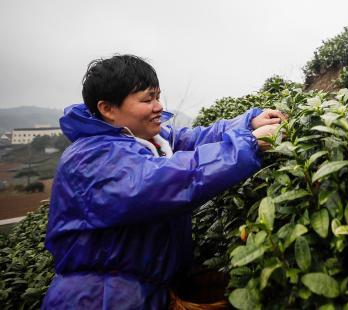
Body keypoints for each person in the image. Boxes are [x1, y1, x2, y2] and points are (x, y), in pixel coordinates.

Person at [42, 55, 284, 309]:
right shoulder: (90, 158)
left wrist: (248, 123)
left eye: (157, 96)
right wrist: (249, 144)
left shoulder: (144, 139)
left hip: (137, 293)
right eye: (147, 99)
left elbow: (192, 140)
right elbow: (168, 180)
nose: (158, 106)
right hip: (99, 299)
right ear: (108, 109)